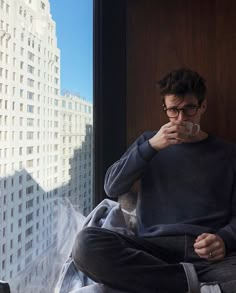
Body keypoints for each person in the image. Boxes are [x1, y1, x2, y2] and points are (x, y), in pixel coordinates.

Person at [72, 68, 236, 293]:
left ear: (202, 107)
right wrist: (151, 147)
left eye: (189, 109)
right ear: (165, 109)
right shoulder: (149, 142)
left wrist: (224, 239)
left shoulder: (228, 154)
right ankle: (189, 285)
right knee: (85, 245)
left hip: (206, 255)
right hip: (152, 250)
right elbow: (112, 187)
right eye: (173, 110)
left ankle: (172, 285)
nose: (181, 118)